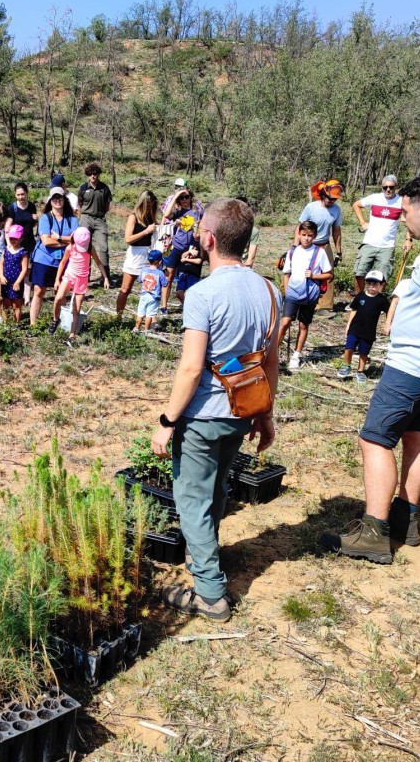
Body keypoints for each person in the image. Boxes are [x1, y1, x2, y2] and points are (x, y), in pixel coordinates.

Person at [321, 174, 420, 564]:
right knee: (417, 436)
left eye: (405, 211)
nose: (401, 217)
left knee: (374, 439)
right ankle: (406, 519)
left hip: (411, 367)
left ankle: (373, 533)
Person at [151, 197, 279, 622]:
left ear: (207, 239)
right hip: (242, 412)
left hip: (204, 414)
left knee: (191, 498)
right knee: (218, 486)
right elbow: (269, 362)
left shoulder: (202, 294)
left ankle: (210, 595)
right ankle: (204, 553)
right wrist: (265, 415)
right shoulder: (269, 291)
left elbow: (191, 368)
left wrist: (167, 421)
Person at [277, 221, 333, 370]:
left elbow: (329, 274)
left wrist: (314, 275)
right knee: (285, 322)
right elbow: (286, 273)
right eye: (303, 235)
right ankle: (272, 353)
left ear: (314, 236)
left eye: (310, 236)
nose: (306, 238)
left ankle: (297, 354)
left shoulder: (319, 252)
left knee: (303, 324)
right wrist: (287, 290)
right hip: (293, 292)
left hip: (310, 294)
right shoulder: (293, 252)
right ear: (299, 235)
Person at [29, 187, 78, 328]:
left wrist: (58, 237)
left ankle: (59, 322)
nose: (57, 200)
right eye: (54, 198)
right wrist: (66, 241)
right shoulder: (45, 218)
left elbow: (77, 240)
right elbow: (46, 241)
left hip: (64, 261)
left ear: (65, 199)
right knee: (39, 290)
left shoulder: (72, 219)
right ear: (50, 201)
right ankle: (34, 324)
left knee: (60, 292)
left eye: (60, 197)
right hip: (43, 259)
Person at [52, 226, 109, 346]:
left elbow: (99, 262)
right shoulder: (70, 248)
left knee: (76, 309)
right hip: (69, 277)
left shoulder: (90, 248)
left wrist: (106, 278)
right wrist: (57, 279)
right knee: (58, 298)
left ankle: (72, 336)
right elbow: (62, 263)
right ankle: (55, 320)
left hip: (82, 280)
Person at [352, 176, 408, 293]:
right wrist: (363, 222)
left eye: (391, 187)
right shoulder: (374, 198)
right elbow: (356, 205)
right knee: (359, 273)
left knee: (382, 276)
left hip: (387, 247)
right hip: (369, 243)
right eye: (385, 187)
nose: (388, 189)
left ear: (396, 187)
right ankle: (358, 300)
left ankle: (376, 303)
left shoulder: (401, 202)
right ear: (382, 187)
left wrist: (408, 239)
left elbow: (407, 220)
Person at [296, 178, 343, 310]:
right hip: (307, 244)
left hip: (324, 244)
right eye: (330, 198)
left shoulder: (336, 210)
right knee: (302, 271)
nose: (332, 201)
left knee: (328, 274)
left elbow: (336, 230)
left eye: (335, 199)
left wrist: (339, 252)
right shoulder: (311, 207)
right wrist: (295, 246)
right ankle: (299, 299)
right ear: (323, 194)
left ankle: (325, 307)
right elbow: (299, 227)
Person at [338, 270, 390, 382]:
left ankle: (360, 371)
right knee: (349, 347)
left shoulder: (382, 300)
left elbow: (389, 312)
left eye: (375, 284)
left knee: (364, 352)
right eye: (369, 284)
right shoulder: (360, 296)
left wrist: (388, 323)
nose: (371, 287)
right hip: (355, 328)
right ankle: (346, 365)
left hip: (369, 331)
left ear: (381, 285)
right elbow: (353, 310)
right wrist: (348, 325)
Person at [115, 190, 159, 320]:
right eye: (148, 205)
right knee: (125, 289)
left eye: (152, 205)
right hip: (135, 255)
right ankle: (118, 317)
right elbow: (128, 239)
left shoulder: (151, 216)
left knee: (150, 289)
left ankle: (148, 318)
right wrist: (145, 231)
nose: (150, 207)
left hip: (148, 255)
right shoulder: (133, 217)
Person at [76, 163, 113, 284]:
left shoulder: (105, 188)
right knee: (84, 247)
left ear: (98, 174)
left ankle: (106, 277)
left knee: (103, 248)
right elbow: (80, 205)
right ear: (88, 175)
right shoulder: (82, 188)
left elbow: (107, 206)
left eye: (95, 173)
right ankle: (84, 276)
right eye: (91, 174)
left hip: (99, 219)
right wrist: (84, 215)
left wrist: (99, 214)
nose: (93, 176)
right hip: (86, 218)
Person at [3, 182, 38, 305]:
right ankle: (11, 293)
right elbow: (7, 227)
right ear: (15, 195)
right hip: (15, 243)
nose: (21, 197)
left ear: (27, 193)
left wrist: (36, 219)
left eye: (23, 194)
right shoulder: (12, 208)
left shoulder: (32, 206)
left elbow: (33, 220)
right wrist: (9, 245)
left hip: (29, 241)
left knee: (27, 269)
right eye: (18, 195)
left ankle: (26, 296)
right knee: (13, 269)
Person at [0, 225, 30, 323]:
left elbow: (24, 269)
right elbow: (1, 263)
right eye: (11, 238)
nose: (13, 240)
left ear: (21, 238)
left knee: (16, 305)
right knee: (5, 304)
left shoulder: (23, 252)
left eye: (15, 238)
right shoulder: (6, 250)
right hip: (5, 282)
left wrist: (17, 282)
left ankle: (16, 324)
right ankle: (6, 323)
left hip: (16, 282)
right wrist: (1, 275)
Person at [135, 249, 166, 333]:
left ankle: (136, 328)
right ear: (160, 262)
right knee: (150, 314)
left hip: (144, 295)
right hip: (154, 297)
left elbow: (140, 280)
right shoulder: (160, 273)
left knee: (140, 313)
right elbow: (165, 284)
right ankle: (146, 330)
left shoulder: (144, 270)